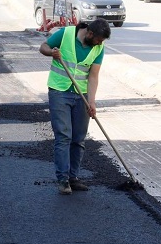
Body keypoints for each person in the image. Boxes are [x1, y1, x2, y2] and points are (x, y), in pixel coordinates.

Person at [39, 18, 111, 195]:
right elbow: (43, 47)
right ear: (90, 33)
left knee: (78, 138)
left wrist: (92, 102)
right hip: (59, 91)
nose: (100, 44)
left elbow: (93, 76)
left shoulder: (98, 48)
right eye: (98, 40)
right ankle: (63, 180)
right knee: (64, 135)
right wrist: (51, 53)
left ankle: (73, 177)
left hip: (81, 96)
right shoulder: (66, 34)